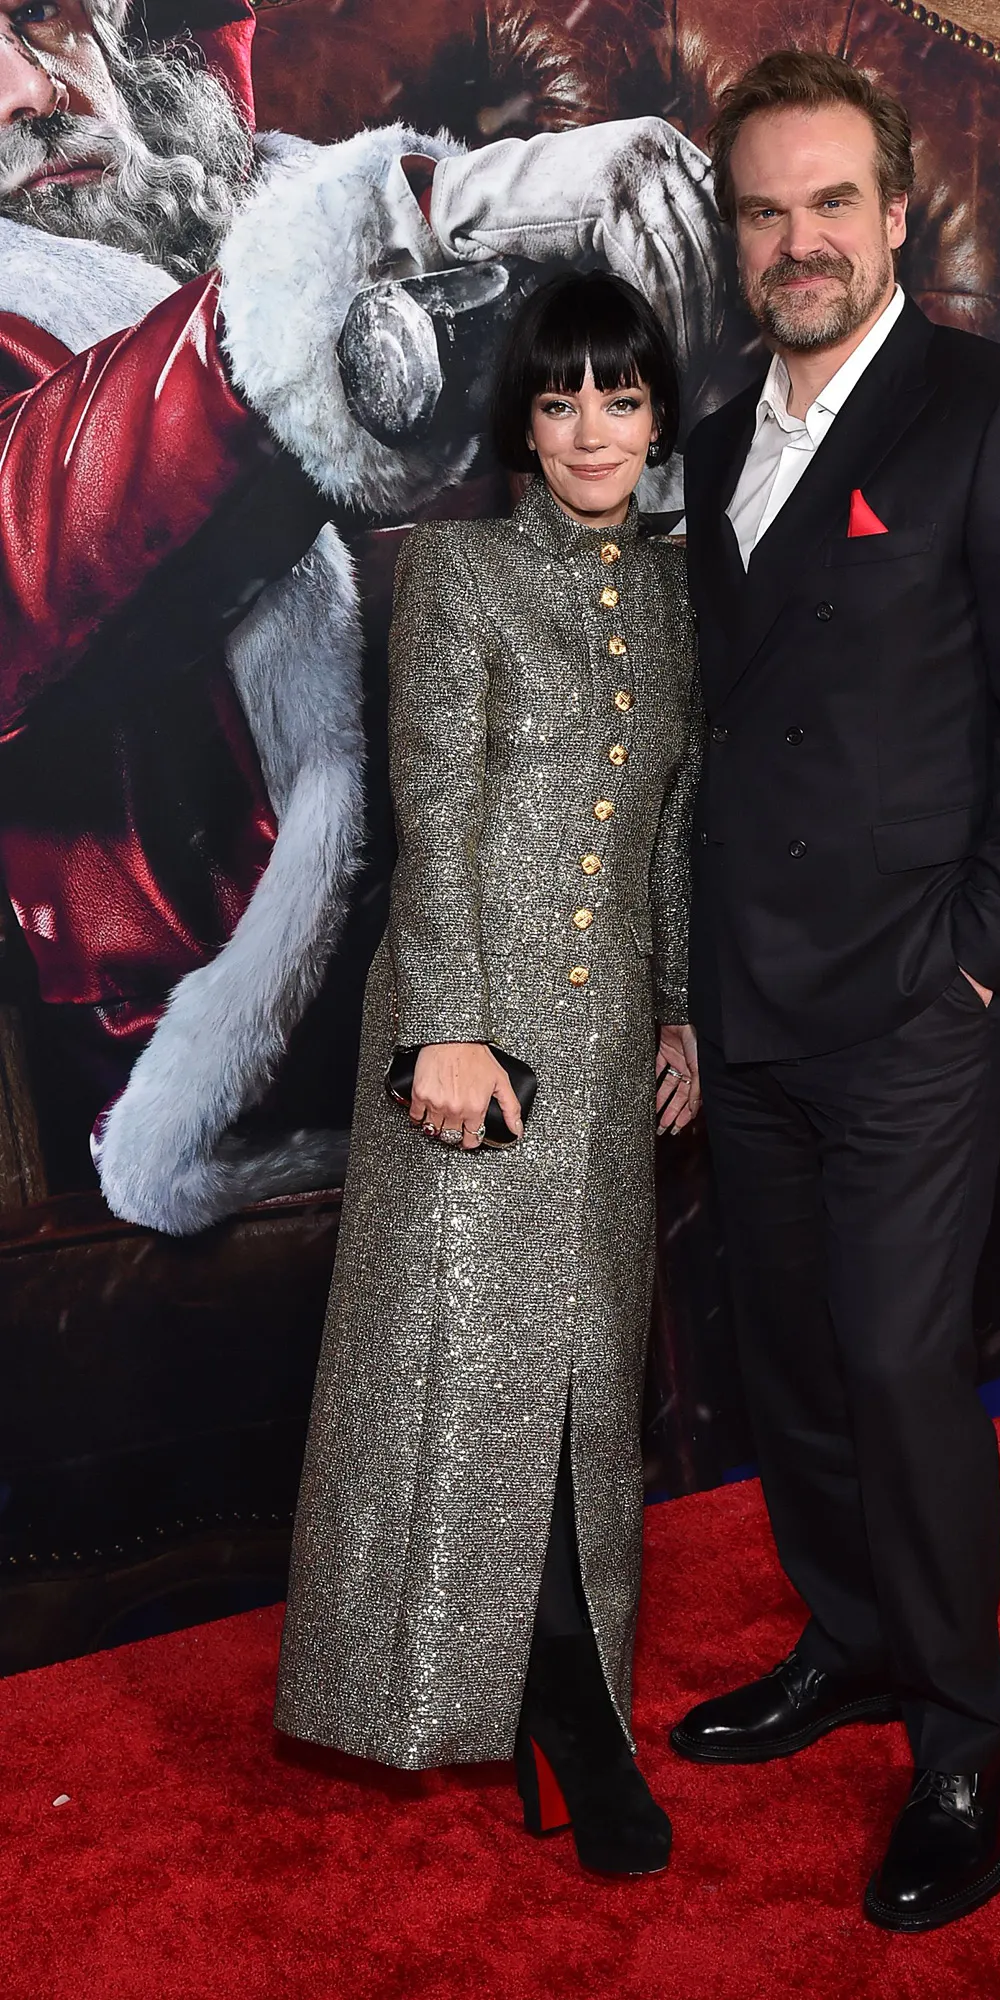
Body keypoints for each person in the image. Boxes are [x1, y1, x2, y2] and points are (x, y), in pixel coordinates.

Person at [0, 0, 726, 1231]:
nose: (30, 91)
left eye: (41, 17)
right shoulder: (316, 236)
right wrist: (394, 223)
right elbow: (42, 529)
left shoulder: (279, 193)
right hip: (274, 1025)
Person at [669, 52, 1000, 1931]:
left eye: (829, 204)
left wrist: (979, 963)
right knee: (782, 1357)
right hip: (744, 1003)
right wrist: (683, 990)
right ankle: (848, 1640)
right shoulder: (708, 444)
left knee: (890, 1360)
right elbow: (703, 745)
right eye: (764, 211)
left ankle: (961, 1738)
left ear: (893, 212)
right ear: (736, 235)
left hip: (912, 1003)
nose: (798, 241)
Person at [273, 270, 702, 1882]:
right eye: (559, 398)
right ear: (520, 423)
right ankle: (560, 1708)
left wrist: (678, 1014)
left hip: (610, 1048)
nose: (591, 429)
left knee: (589, 1377)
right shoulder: (455, 572)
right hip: (473, 1039)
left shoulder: (677, 593)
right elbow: (433, 806)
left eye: (620, 398)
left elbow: (668, 824)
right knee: (465, 1377)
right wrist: (445, 1026)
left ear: (656, 418)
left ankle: (571, 1691)